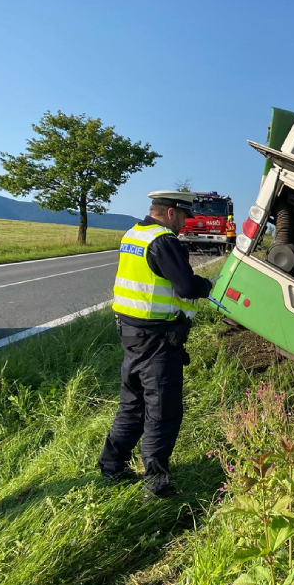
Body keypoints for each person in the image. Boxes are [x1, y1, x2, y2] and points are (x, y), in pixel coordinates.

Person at [99, 190, 213, 497]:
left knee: (132, 405)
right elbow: (186, 286)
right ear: (171, 212)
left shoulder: (133, 234)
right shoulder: (163, 240)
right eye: (184, 217)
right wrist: (206, 285)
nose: (185, 224)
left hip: (131, 334)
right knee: (162, 411)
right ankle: (156, 484)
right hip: (157, 340)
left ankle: (111, 467)